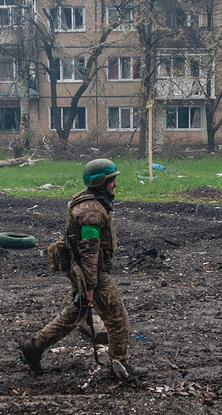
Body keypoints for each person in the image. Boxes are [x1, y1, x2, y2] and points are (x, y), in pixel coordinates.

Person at [20, 159, 149, 380]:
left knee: (75, 313)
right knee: (118, 320)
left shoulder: (90, 201)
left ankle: (34, 347)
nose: (115, 184)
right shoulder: (92, 210)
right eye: (112, 180)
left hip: (83, 271)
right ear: (101, 182)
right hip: (93, 274)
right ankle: (121, 365)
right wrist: (90, 286)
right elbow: (90, 251)